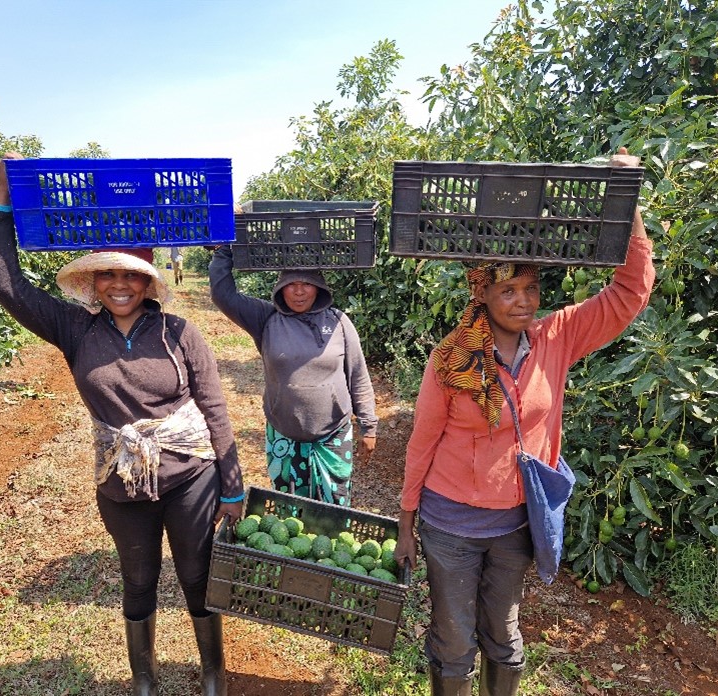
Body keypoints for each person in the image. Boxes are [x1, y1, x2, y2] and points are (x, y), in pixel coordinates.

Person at [394, 150, 655, 696]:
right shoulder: (451, 359)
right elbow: (422, 443)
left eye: (530, 289)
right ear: (482, 293)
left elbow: (629, 293)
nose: (522, 301)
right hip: (449, 527)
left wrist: (627, 204)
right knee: (453, 638)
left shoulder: (555, 339)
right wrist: (405, 524)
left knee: (505, 633)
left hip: (514, 523)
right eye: (507, 290)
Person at [0, 153, 243, 696]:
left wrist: (232, 484)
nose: (120, 284)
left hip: (189, 476)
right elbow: (7, 287)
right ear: (95, 281)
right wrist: (1, 208)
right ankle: (144, 679)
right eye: (110, 274)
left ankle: (213, 672)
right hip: (120, 480)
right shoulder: (75, 329)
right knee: (139, 579)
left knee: (197, 576)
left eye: (132, 274)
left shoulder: (179, 333)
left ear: (148, 282)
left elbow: (215, 407)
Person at [208, 244, 377, 506]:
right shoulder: (266, 319)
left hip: (333, 436)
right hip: (283, 435)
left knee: (334, 510)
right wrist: (224, 251)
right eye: (291, 283)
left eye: (307, 284)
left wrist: (369, 426)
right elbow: (223, 295)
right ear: (279, 288)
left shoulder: (338, 322)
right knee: (289, 516)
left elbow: (358, 376)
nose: (299, 291)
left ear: (319, 287)